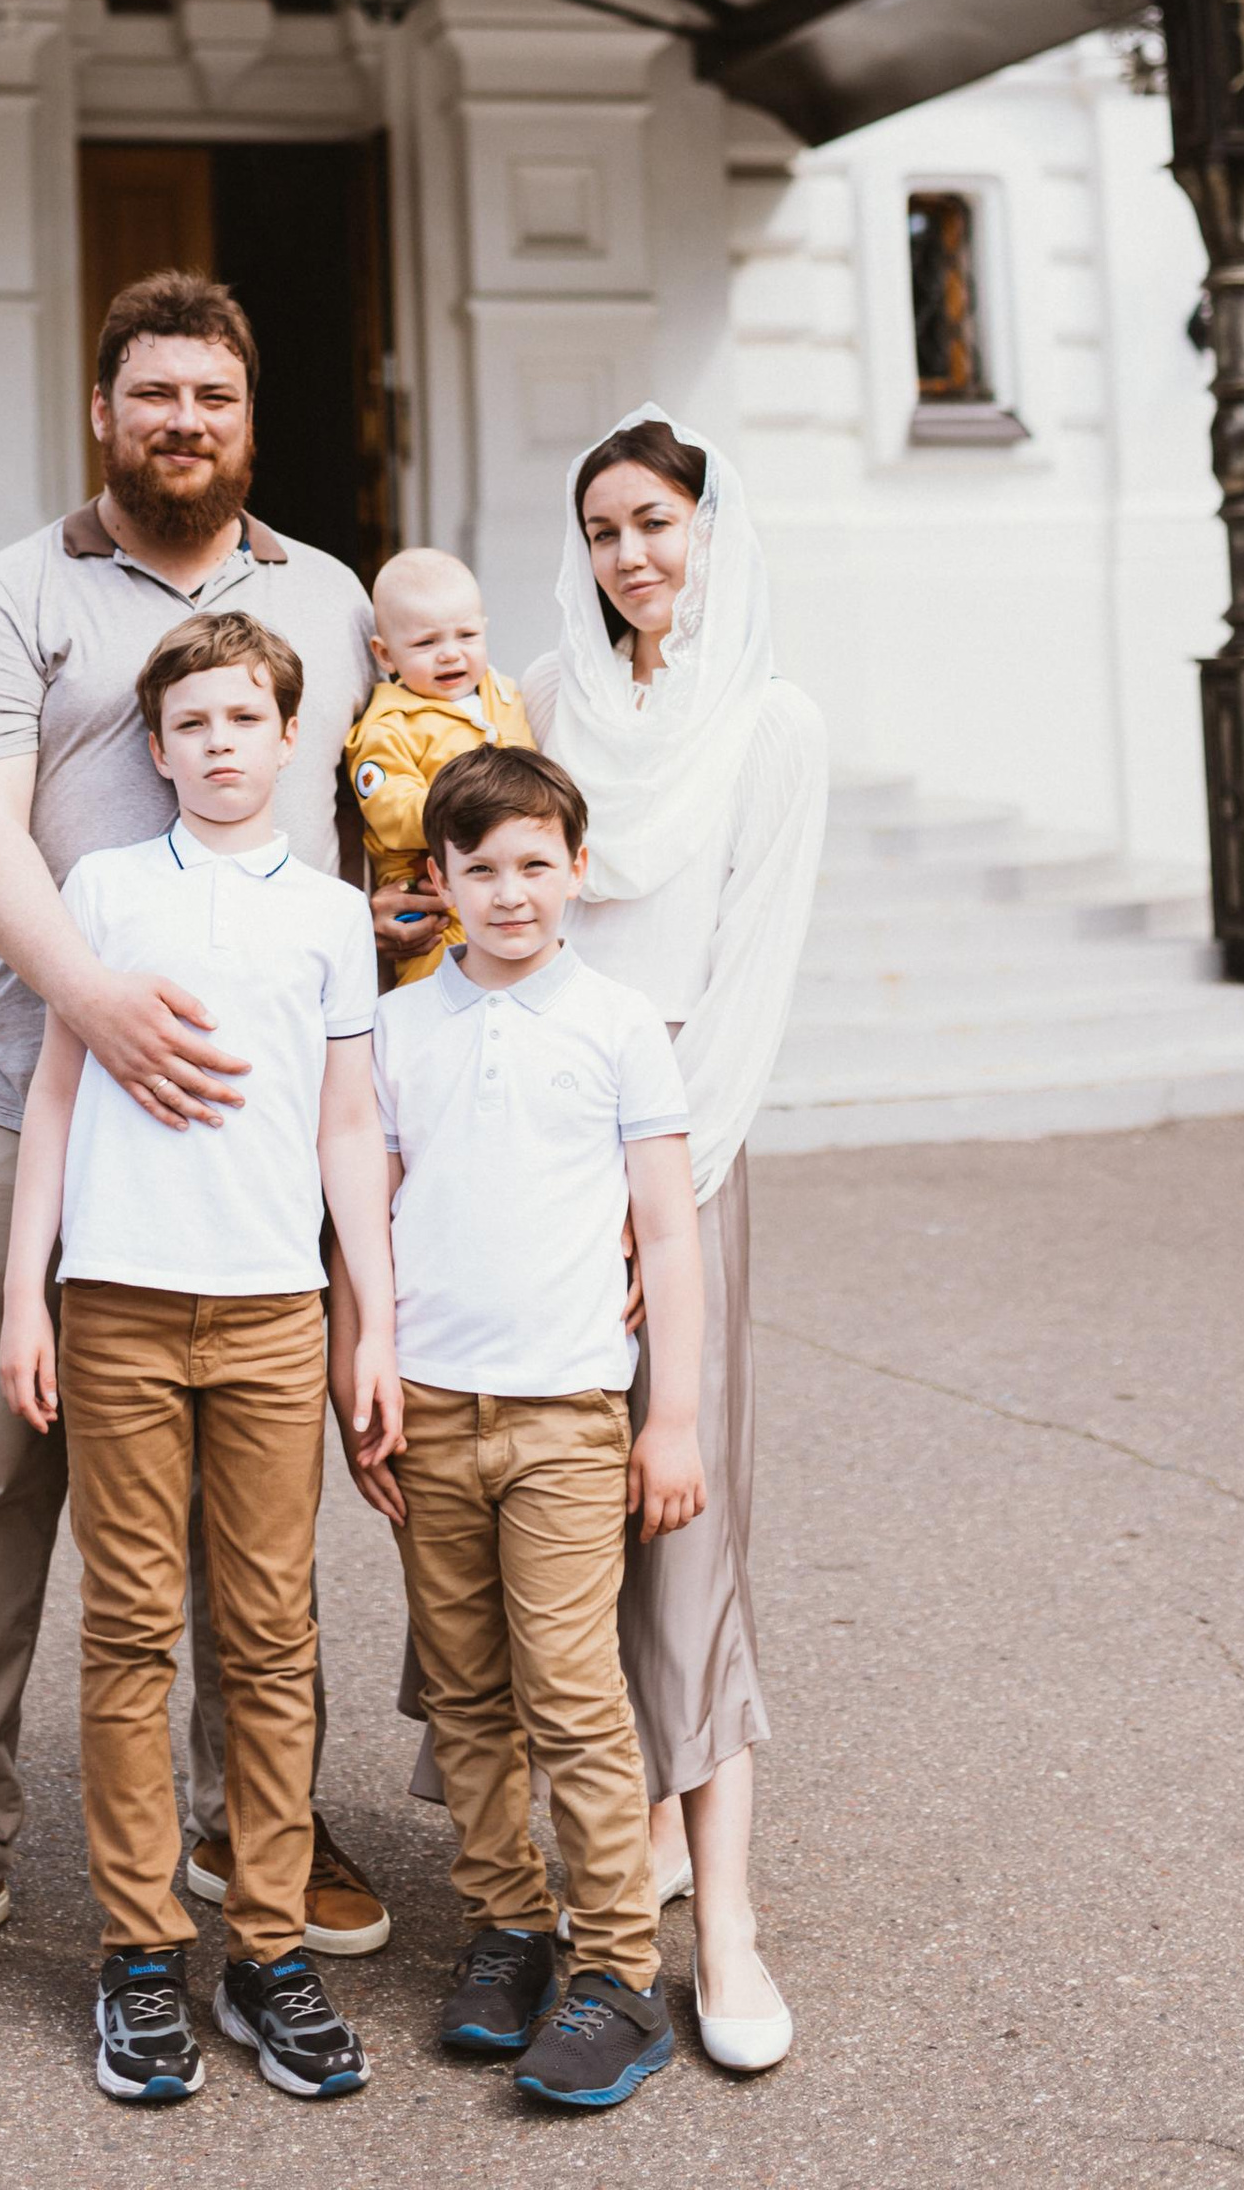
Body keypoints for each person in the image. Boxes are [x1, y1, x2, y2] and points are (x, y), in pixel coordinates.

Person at [0, 272, 391, 2008]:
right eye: (155, 397)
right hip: (34, 1105)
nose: (184, 424)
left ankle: (241, 1825)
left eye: (213, 396)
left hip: (253, 1147)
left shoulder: (333, 601)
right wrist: (100, 1004)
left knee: (244, 1504)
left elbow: (387, 827)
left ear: (248, 416)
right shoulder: (11, 596)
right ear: (104, 412)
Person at [0, 613, 400, 2104]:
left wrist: (375, 1315)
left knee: (272, 1633)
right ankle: (138, 1955)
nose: (221, 744)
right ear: (155, 751)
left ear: (289, 739)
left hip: (271, 1309)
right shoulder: (101, 889)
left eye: (246, 719)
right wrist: (22, 1297)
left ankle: (271, 1951)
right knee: (127, 1633)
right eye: (193, 725)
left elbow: (348, 1128)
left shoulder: (330, 916)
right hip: (116, 1299)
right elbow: (51, 1100)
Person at [524, 406, 826, 2077]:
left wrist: (668, 1213)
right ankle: (587, 1878)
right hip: (538, 1145)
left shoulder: (772, 727)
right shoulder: (557, 702)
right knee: (550, 1496)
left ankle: (729, 1924)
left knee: (685, 1513)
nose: (633, 555)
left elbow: (752, 985)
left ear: (713, 526)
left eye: (659, 522)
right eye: (605, 531)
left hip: (681, 1147)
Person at [339, 742, 705, 2115]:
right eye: (477, 868)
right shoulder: (396, 1027)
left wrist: (669, 1419)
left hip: (564, 1410)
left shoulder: (616, 1022)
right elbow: (360, 1222)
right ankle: (508, 1925)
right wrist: (358, 1377)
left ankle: (616, 1971)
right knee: (467, 1691)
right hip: (430, 1407)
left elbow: (664, 1232)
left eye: (534, 865)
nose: (507, 891)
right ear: (433, 882)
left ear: (577, 872)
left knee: (570, 1689)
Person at [341, 548, 537, 989]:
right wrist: (482, 806)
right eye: (427, 643)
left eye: (466, 636)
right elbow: (392, 813)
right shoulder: (386, 725)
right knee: (438, 1007)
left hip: (512, 889)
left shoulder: (503, 695)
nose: (450, 655)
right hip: (434, 909)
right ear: (385, 655)